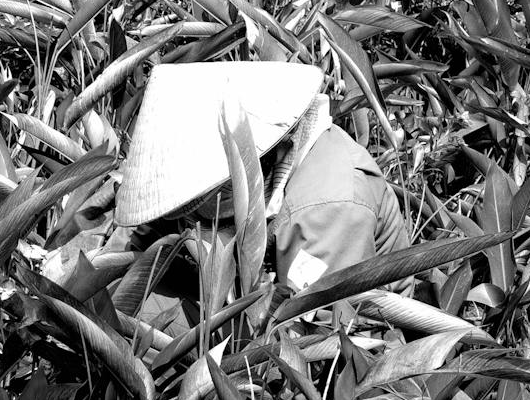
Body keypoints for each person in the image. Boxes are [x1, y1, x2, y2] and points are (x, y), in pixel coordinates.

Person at [106, 61, 410, 335]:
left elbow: (314, 339)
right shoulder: (215, 167)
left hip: (327, 340)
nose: (191, 218)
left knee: (146, 321)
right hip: (251, 301)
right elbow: (136, 250)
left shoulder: (327, 205)